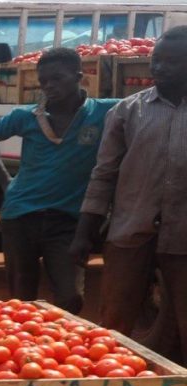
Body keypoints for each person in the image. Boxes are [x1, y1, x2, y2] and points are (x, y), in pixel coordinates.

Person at [72, 26, 187, 360]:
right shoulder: (127, 111)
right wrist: (84, 233)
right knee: (115, 324)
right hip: (130, 232)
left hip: (184, 237)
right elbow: (104, 174)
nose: (160, 69)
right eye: (157, 60)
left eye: (172, 62)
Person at [0, 47, 118, 314]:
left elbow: (146, 104)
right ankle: (24, 351)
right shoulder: (26, 117)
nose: (48, 86)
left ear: (80, 77)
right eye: (43, 81)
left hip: (67, 221)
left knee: (70, 297)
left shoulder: (105, 112)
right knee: (22, 301)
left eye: (57, 79)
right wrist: (6, 182)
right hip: (20, 217)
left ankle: (58, 348)